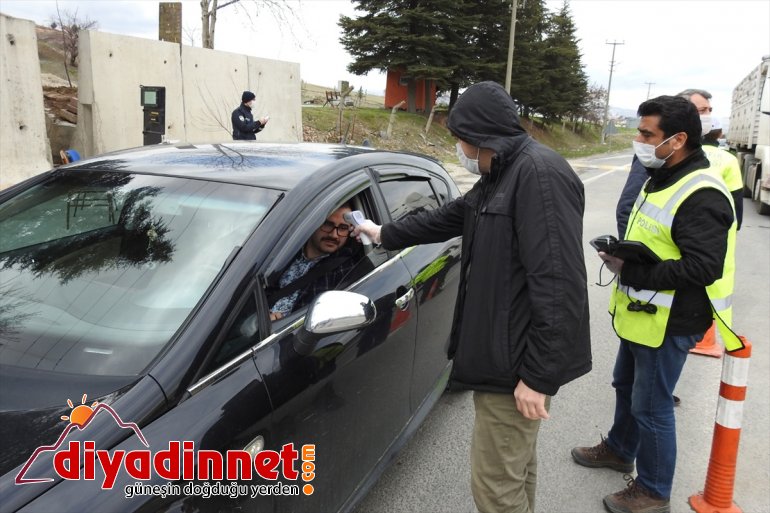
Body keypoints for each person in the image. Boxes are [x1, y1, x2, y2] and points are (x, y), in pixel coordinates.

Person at [354, 81, 592, 513]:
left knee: (495, 488)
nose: (459, 147)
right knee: (515, 469)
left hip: (515, 364)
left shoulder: (537, 176)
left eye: (460, 138)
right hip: (507, 353)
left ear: (481, 136)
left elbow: (560, 288)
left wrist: (538, 377)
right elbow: (451, 216)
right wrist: (384, 232)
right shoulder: (503, 172)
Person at [572, 95, 742, 513]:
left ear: (678, 139)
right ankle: (618, 449)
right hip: (643, 312)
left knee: (652, 406)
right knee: (627, 387)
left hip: (671, 319)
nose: (639, 140)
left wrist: (634, 273)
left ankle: (652, 491)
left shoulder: (702, 193)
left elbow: (703, 267)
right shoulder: (662, 175)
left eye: (647, 134)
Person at [616, 88, 743, 236]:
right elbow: (629, 207)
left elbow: (702, 256)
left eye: (709, 110)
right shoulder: (655, 156)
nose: (707, 116)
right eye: (701, 111)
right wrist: (627, 253)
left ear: (679, 140)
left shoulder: (706, 191)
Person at [268, 204, 362, 321]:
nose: (334, 235)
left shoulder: (345, 269)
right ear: (313, 224)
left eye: (343, 228)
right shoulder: (284, 252)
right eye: (328, 224)